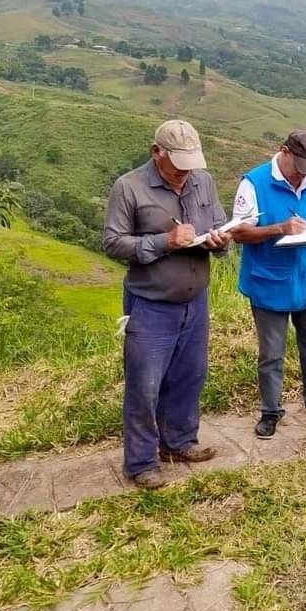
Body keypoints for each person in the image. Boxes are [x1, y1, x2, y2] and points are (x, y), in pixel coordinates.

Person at [103, 119, 231, 488]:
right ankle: (141, 463)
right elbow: (113, 243)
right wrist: (164, 242)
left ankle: (178, 442)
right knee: (144, 386)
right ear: (156, 152)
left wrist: (220, 240)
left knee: (189, 376)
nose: (184, 174)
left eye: (191, 165)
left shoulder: (202, 182)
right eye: (177, 165)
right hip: (151, 304)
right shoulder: (129, 188)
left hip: (195, 301)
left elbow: (220, 222)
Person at [230, 129, 306, 439]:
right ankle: (270, 410)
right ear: (285, 152)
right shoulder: (254, 182)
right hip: (270, 282)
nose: (304, 175)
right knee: (272, 354)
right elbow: (238, 232)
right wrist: (279, 228)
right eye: (300, 166)